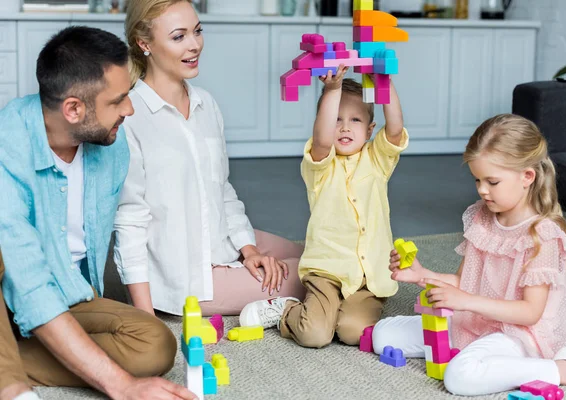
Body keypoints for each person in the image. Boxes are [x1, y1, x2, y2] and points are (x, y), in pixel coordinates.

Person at [0, 27, 196, 400]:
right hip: (13, 284)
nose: (130, 109)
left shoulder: (110, 140)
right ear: (74, 109)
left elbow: (128, 219)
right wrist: (120, 384)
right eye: (119, 100)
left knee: (155, 344)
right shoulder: (7, 145)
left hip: (68, 290)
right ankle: (11, 385)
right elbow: (25, 279)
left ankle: (10, 353)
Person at [374, 114, 566, 396]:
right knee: (383, 335)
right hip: (477, 319)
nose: (482, 190)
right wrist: (423, 275)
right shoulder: (481, 217)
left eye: (492, 182)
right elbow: (463, 282)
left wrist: (466, 302)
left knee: (460, 377)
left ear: (527, 176)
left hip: (517, 333)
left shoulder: (542, 235)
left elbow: (530, 313)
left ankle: (557, 368)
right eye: (477, 180)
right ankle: (489, 355)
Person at [114, 0, 305, 317]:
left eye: (197, 31)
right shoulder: (130, 117)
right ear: (144, 43)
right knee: (321, 273)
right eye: (179, 37)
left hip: (219, 238)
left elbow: (221, 187)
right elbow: (130, 218)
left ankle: (267, 286)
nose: (194, 45)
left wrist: (249, 250)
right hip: (191, 278)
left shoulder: (206, 103)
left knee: (320, 255)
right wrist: (145, 316)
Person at [240, 67, 413, 349]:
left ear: (370, 130)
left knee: (352, 332)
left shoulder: (378, 160)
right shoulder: (319, 165)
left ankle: (341, 312)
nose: (344, 127)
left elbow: (394, 129)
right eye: (336, 120)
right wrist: (333, 89)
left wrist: (385, 81)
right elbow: (322, 140)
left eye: (355, 120)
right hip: (327, 271)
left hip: (368, 279)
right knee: (314, 335)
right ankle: (286, 310)